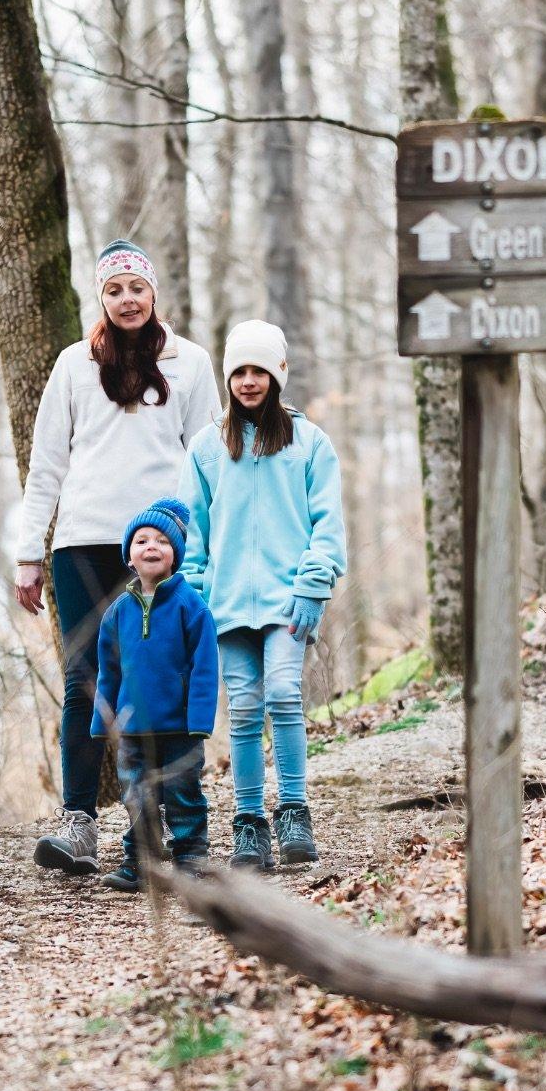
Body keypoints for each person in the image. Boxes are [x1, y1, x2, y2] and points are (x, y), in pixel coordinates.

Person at [14, 241, 220, 875]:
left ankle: (167, 825)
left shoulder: (190, 363)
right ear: (100, 300)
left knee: (162, 680)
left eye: (136, 288)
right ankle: (79, 822)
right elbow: (46, 463)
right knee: (85, 680)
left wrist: (200, 547)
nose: (127, 299)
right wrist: (29, 553)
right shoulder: (75, 364)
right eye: (114, 290)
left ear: (153, 294)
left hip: (160, 547)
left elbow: (206, 461)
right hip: (83, 542)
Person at [178, 320, 347, 870]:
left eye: (259, 371)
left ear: (278, 375)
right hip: (225, 604)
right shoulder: (206, 447)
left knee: (282, 692)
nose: (248, 382)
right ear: (228, 378)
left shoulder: (310, 443)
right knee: (245, 708)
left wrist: (313, 585)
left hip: (288, 599)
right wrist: (197, 594)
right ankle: (249, 821)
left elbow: (327, 524)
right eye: (239, 372)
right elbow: (193, 531)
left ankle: (294, 809)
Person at [89, 499, 218, 893]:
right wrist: (104, 720)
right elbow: (107, 671)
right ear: (129, 555)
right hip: (132, 730)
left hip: (179, 725)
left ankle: (191, 858)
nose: (151, 546)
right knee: (137, 794)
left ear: (175, 555)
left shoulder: (190, 605)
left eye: (162, 541)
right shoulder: (117, 613)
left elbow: (205, 667)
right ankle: (141, 861)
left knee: (183, 792)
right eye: (142, 539)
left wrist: (198, 720)